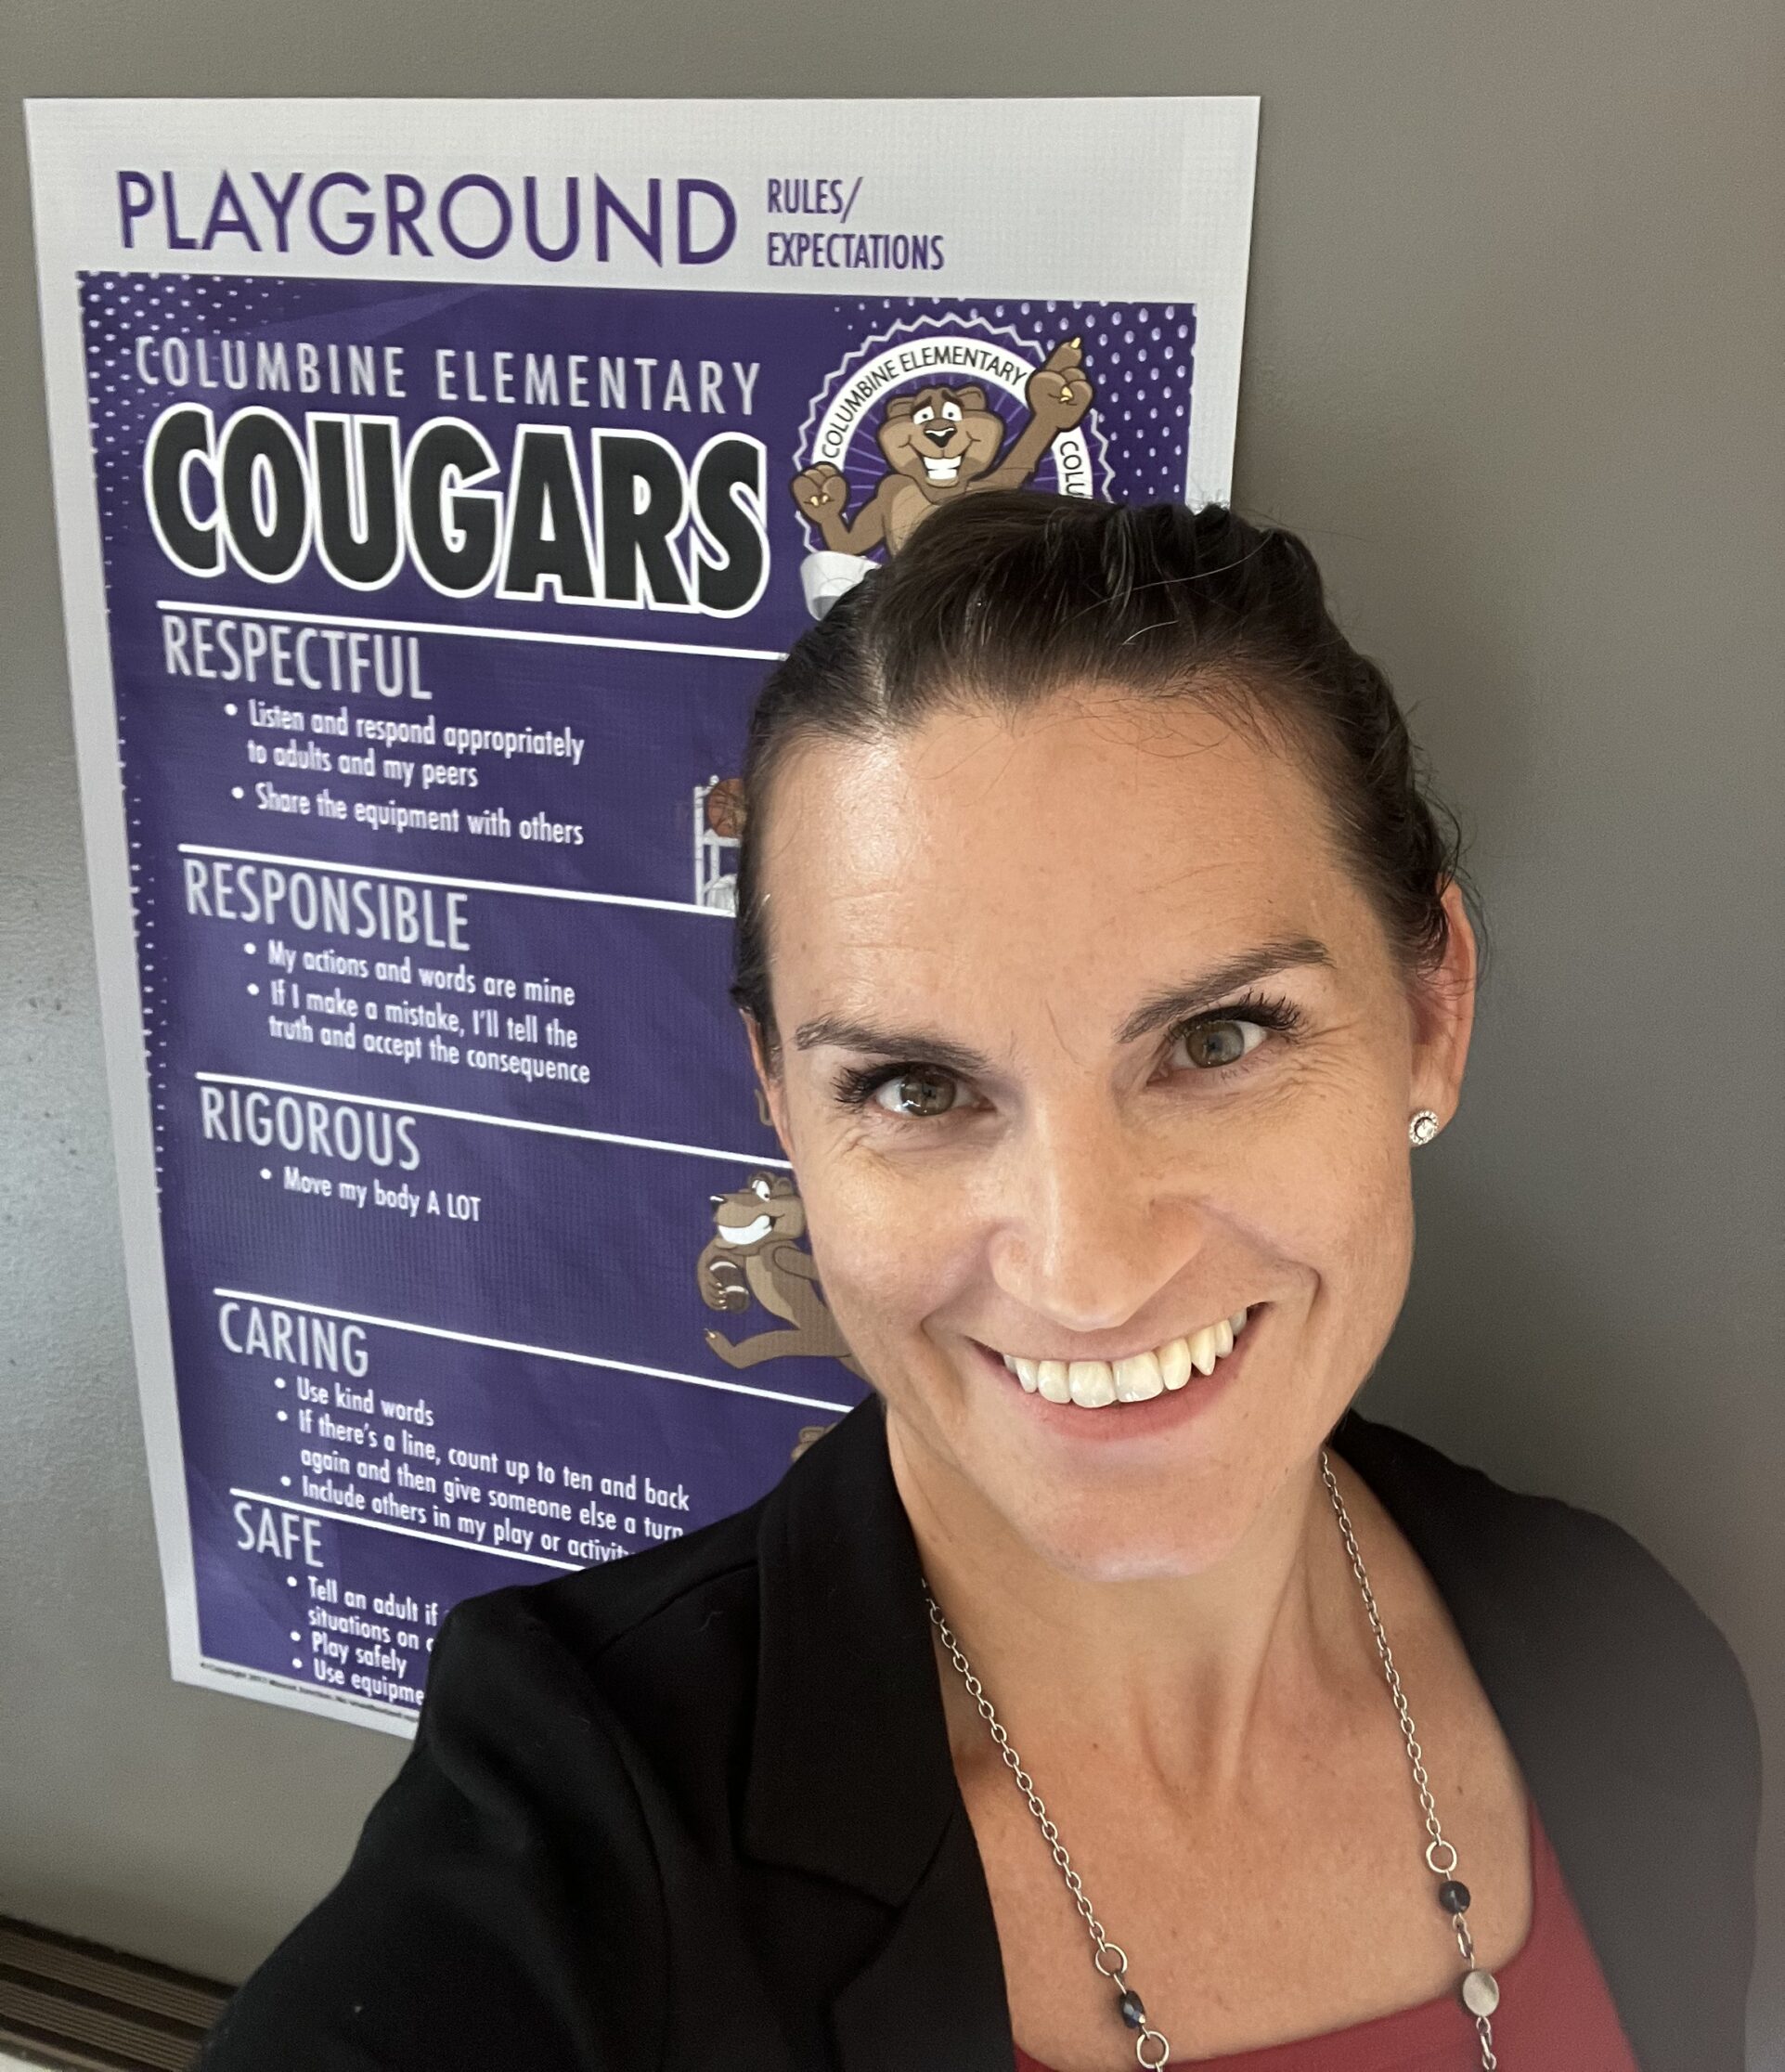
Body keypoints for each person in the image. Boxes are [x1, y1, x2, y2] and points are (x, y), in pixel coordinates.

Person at [200, 493, 1759, 2072]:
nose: (1086, 1274)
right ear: (782, 1100)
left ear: (1433, 1014)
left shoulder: (1629, 1670)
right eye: (918, 1087)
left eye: (1218, 1040)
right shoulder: (588, 1842)